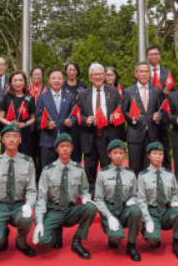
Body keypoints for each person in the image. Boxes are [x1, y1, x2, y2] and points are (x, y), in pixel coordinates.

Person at [32, 134, 97, 259]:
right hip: (54, 210)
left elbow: (84, 190)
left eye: (68, 146)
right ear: (57, 149)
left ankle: (77, 241)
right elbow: (41, 199)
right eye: (62, 146)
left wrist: (85, 198)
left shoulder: (79, 169)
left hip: (70, 210)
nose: (65, 149)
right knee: (42, 241)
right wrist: (39, 222)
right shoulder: (48, 171)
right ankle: (57, 231)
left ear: (72, 148)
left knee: (91, 208)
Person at [0, 124, 37, 257]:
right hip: (1, 206)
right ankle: (2, 234)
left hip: (19, 205)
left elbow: (31, 190)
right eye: (8, 137)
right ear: (3, 140)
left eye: (15, 136)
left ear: (20, 140)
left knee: (27, 219)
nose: (11, 140)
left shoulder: (28, 162)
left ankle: (21, 242)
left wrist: (29, 205)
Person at [136, 142, 178, 260]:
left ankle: (177, 243)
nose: (158, 156)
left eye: (161, 154)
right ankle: (147, 230)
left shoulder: (170, 175)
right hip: (151, 212)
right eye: (155, 154)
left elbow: (176, 192)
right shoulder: (143, 176)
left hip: (165, 210)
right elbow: (141, 200)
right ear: (149, 156)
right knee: (153, 239)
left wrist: (175, 201)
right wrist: (147, 219)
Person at [78, 63, 124, 194]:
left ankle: (108, 193)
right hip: (89, 136)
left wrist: (112, 118)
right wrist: (86, 120)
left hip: (108, 135)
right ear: (90, 77)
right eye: (95, 75)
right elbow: (78, 114)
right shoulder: (83, 94)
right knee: (90, 168)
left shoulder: (113, 91)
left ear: (104, 76)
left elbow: (120, 111)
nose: (98, 77)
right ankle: (92, 193)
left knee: (108, 167)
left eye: (100, 74)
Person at [93, 140, 143, 261]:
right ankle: (112, 234)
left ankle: (131, 245)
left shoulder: (130, 174)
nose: (118, 156)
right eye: (115, 153)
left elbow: (135, 194)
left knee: (136, 211)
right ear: (109, 154)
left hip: (125, 207)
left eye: (121, 153)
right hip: (109, 208)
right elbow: (98, 199)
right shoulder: (102, 174)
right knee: (117, 237)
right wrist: (109, 217)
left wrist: (133, 199)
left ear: (124, 154)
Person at [123, 62, 168, 174]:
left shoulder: (157, 91)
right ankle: (134, 191)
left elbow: (162, 111)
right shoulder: (128, 92)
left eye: (146, 71)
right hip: (135, 135)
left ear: (150, 74)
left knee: (149, 168)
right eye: (141, 71)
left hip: (151, 134)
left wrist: (158, 117)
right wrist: (132, 118)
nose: (144, 74)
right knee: (134, 167)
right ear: (136, 74)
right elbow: (124, 112)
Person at [35, 68, 77, 167]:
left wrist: (71, 121)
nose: (56, 81)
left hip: (65, 140)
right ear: (49, 80)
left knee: (65, 170)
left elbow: (75, 114)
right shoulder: (42, 97)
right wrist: (47, 124)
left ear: (63, 80)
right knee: (47, 170)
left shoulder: (70, 96)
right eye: (53, 78)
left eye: (59, 78)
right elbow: (38, 116)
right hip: (47, 140)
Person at [0, 70, 36, 157]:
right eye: (15, 80)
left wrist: (24, 124)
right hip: (9, 133)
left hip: (24, 133)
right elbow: (1, 117)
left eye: (20, 80)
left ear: (25, 82)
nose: (18, 83)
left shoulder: (30, 98)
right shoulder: (6, 97)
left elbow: (33, 118)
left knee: (25, 159)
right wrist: (10, 124)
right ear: (11, 82)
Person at [63, 61, 87, 163]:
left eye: (74, 69)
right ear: (66, 71)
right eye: (69, 69)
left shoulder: (83, 86)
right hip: (65, 121)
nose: (72, 72)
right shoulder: (62, 85)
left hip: (78, 123)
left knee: (77, 149)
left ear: (77, 72)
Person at [29, 65, 46, 178]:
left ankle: (40, 178)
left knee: (41, 154)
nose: (36, 77)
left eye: (39, 75)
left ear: (42, 77)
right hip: (29, 125)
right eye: (34, 75)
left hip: (42, 126)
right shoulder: (26, 89)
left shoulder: (47, 89)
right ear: (31, 76)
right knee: (30, 153)